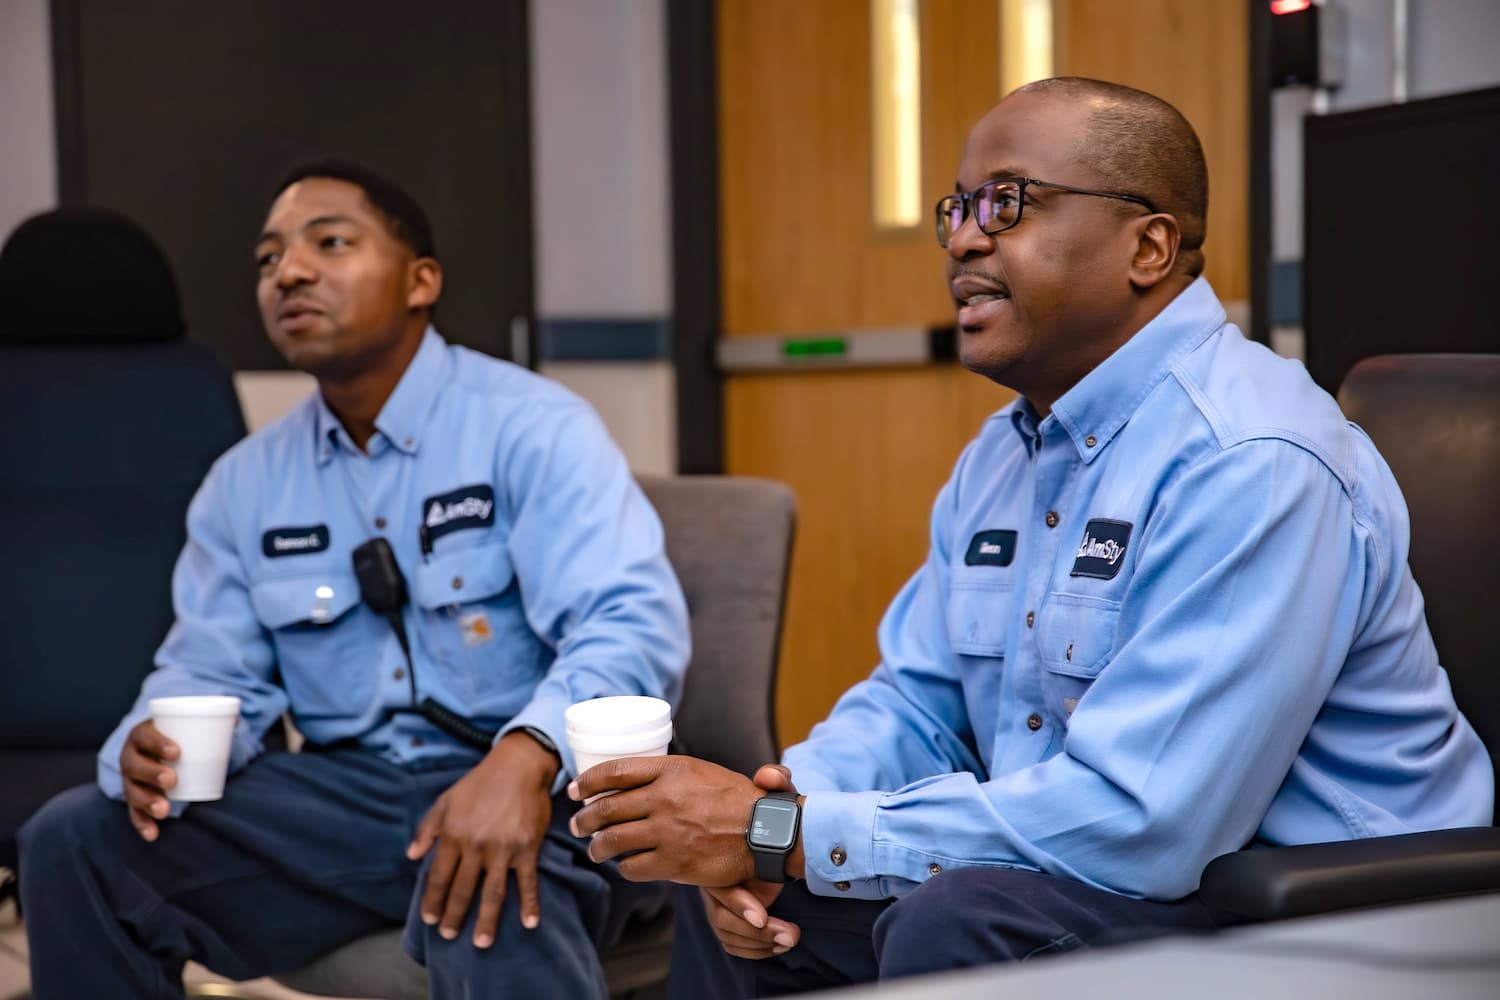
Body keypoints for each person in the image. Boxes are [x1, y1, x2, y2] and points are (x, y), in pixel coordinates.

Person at [566, 77, 1494, 995]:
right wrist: (762, 819)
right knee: (716, 872)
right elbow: (917, 707)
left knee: (957, 923)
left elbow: (1146, 823)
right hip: (1117, 874)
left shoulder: (1252, 459)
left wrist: (787, 834)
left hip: (1324, 910)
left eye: (1008, 203)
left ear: (1150, 247)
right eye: (958, 208)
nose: (965, 237)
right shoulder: (1005, 452)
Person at [18, 162, 690, 999]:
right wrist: (147, 746)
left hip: (546, 789)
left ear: (421, 282)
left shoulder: (533, 428)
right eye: (268, 260)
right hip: (352, 799)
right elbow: (210, 670)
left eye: (329, 243)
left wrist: (525, 756)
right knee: (75, 839)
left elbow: (627, 624)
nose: (289, 273)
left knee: (483, 886)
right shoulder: (244, 481)